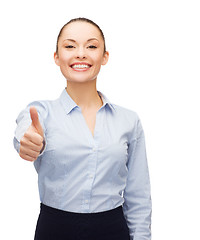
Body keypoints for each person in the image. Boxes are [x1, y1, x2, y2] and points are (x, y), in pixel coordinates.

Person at [13, 17, 152, 240]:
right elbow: (25, 131)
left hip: (112, 230)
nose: (80, 53)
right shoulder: (40, 112)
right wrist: (28, 142)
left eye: (91, 46)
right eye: (70, 46)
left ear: (104, 56)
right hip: (55, 230)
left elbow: (139, 196)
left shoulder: (129, 121)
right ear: (57, 57)